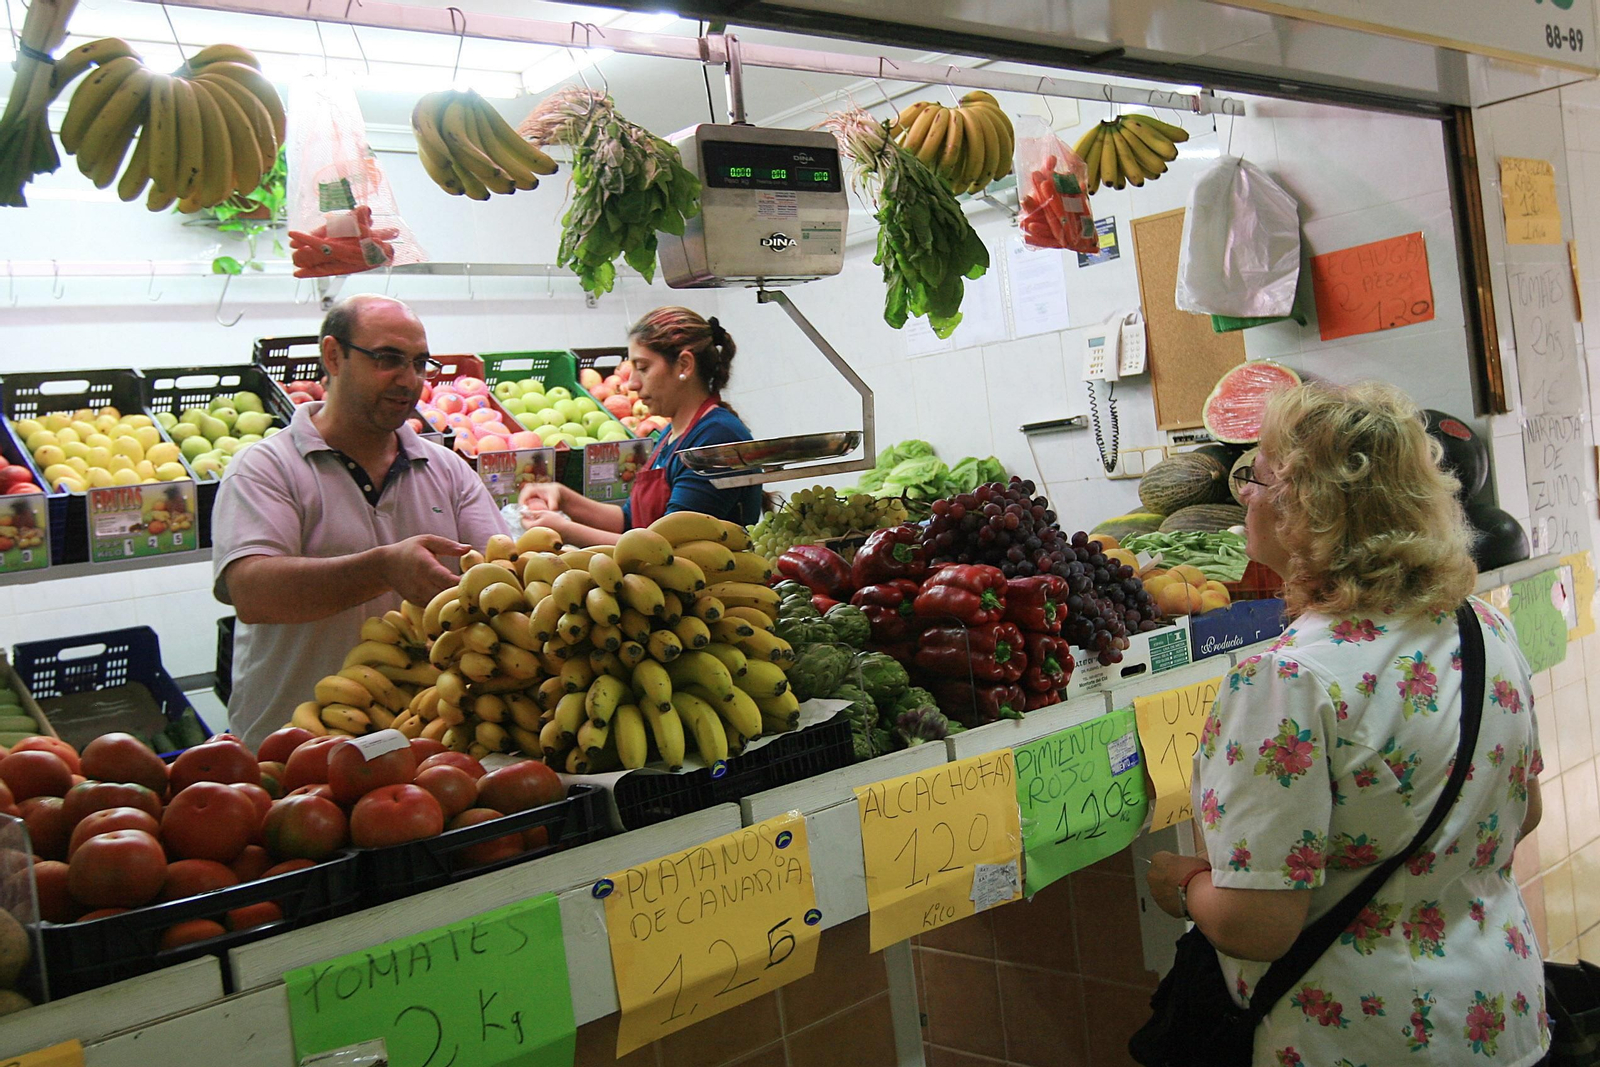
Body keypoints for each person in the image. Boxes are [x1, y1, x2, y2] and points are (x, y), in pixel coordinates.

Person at [1146, 381, 1549, 1065]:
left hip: (1359, 1039)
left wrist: (1181, 883)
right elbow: (1526, 810)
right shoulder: (1485, 628)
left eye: (1262, 476)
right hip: (1500, 1016)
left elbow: (1259, 922)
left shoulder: (1290, 679)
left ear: (1313, 509)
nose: (1245, 493)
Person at [211, 294, 507, 751]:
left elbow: (500, 577)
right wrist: (382, 568)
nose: (408, 380)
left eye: (419, 363)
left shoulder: (447, 470)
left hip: (426, 738)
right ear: (334, 355)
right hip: (292, 748)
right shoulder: (265, 468)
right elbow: (251, 591)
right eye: (388, 359)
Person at [518, 306, 763, 544]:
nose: (632, 384)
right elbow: (630, 522)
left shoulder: (717, 437)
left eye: (643, 368)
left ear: (684, 365)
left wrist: (564, 530)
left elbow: (670, 548)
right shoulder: (671, 433)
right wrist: (563, 498)